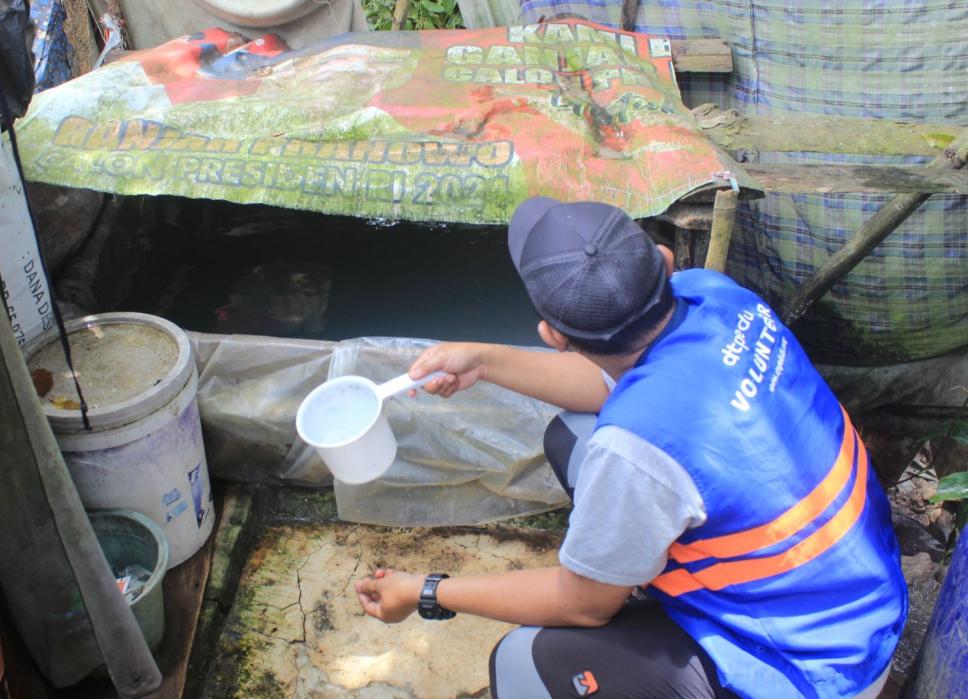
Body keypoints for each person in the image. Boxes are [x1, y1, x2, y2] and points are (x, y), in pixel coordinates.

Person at [354, 197, 908, 699]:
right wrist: (483, 359)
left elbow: (584, 606)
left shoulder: (636, 446)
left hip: (819, 669)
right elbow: (606, 383)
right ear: (665, 262)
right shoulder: (713, 295)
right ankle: (644, 572)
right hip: (861, 596)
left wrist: (427, 591)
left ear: (554, 335)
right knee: (572, 436)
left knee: (525, 662)